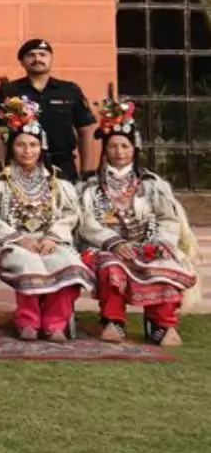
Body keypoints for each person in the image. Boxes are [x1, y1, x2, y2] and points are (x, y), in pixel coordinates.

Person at [76, 87, 199, 347]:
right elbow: (86, 223)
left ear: (134, 148)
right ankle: (113, 321)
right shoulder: (89, 186)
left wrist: (159, 243)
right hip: (107, 246)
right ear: (105, 150)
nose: (119, 152)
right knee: (111, 268)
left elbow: (168, 218)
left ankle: (162, 324)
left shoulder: (153, 184)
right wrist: (115, 243)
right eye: (113, 147)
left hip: (148, 243)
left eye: (125, 146)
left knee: (164, 265)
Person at [0, 97, 93, 342]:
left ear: (41, 148)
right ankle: (28, 321)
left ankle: (55, 323)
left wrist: (53, 237)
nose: (27, 151)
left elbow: (69, 214)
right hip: (12, 242)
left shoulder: (57, 182)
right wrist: (19, 239)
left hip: (50, 241)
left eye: (33, 145)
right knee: (28, 263)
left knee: (69, 265)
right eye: (21, 145)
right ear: (12, 148)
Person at [0, 39, 96, 180]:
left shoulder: (70, 90)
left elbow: (85, 131)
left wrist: (87, 171)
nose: (37, 58)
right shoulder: (9, 90)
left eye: (42, 54)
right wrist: (2, 167)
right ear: (22, 61)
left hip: (62, 164)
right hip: (21, 166)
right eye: (31, 55)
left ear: (51, 59)